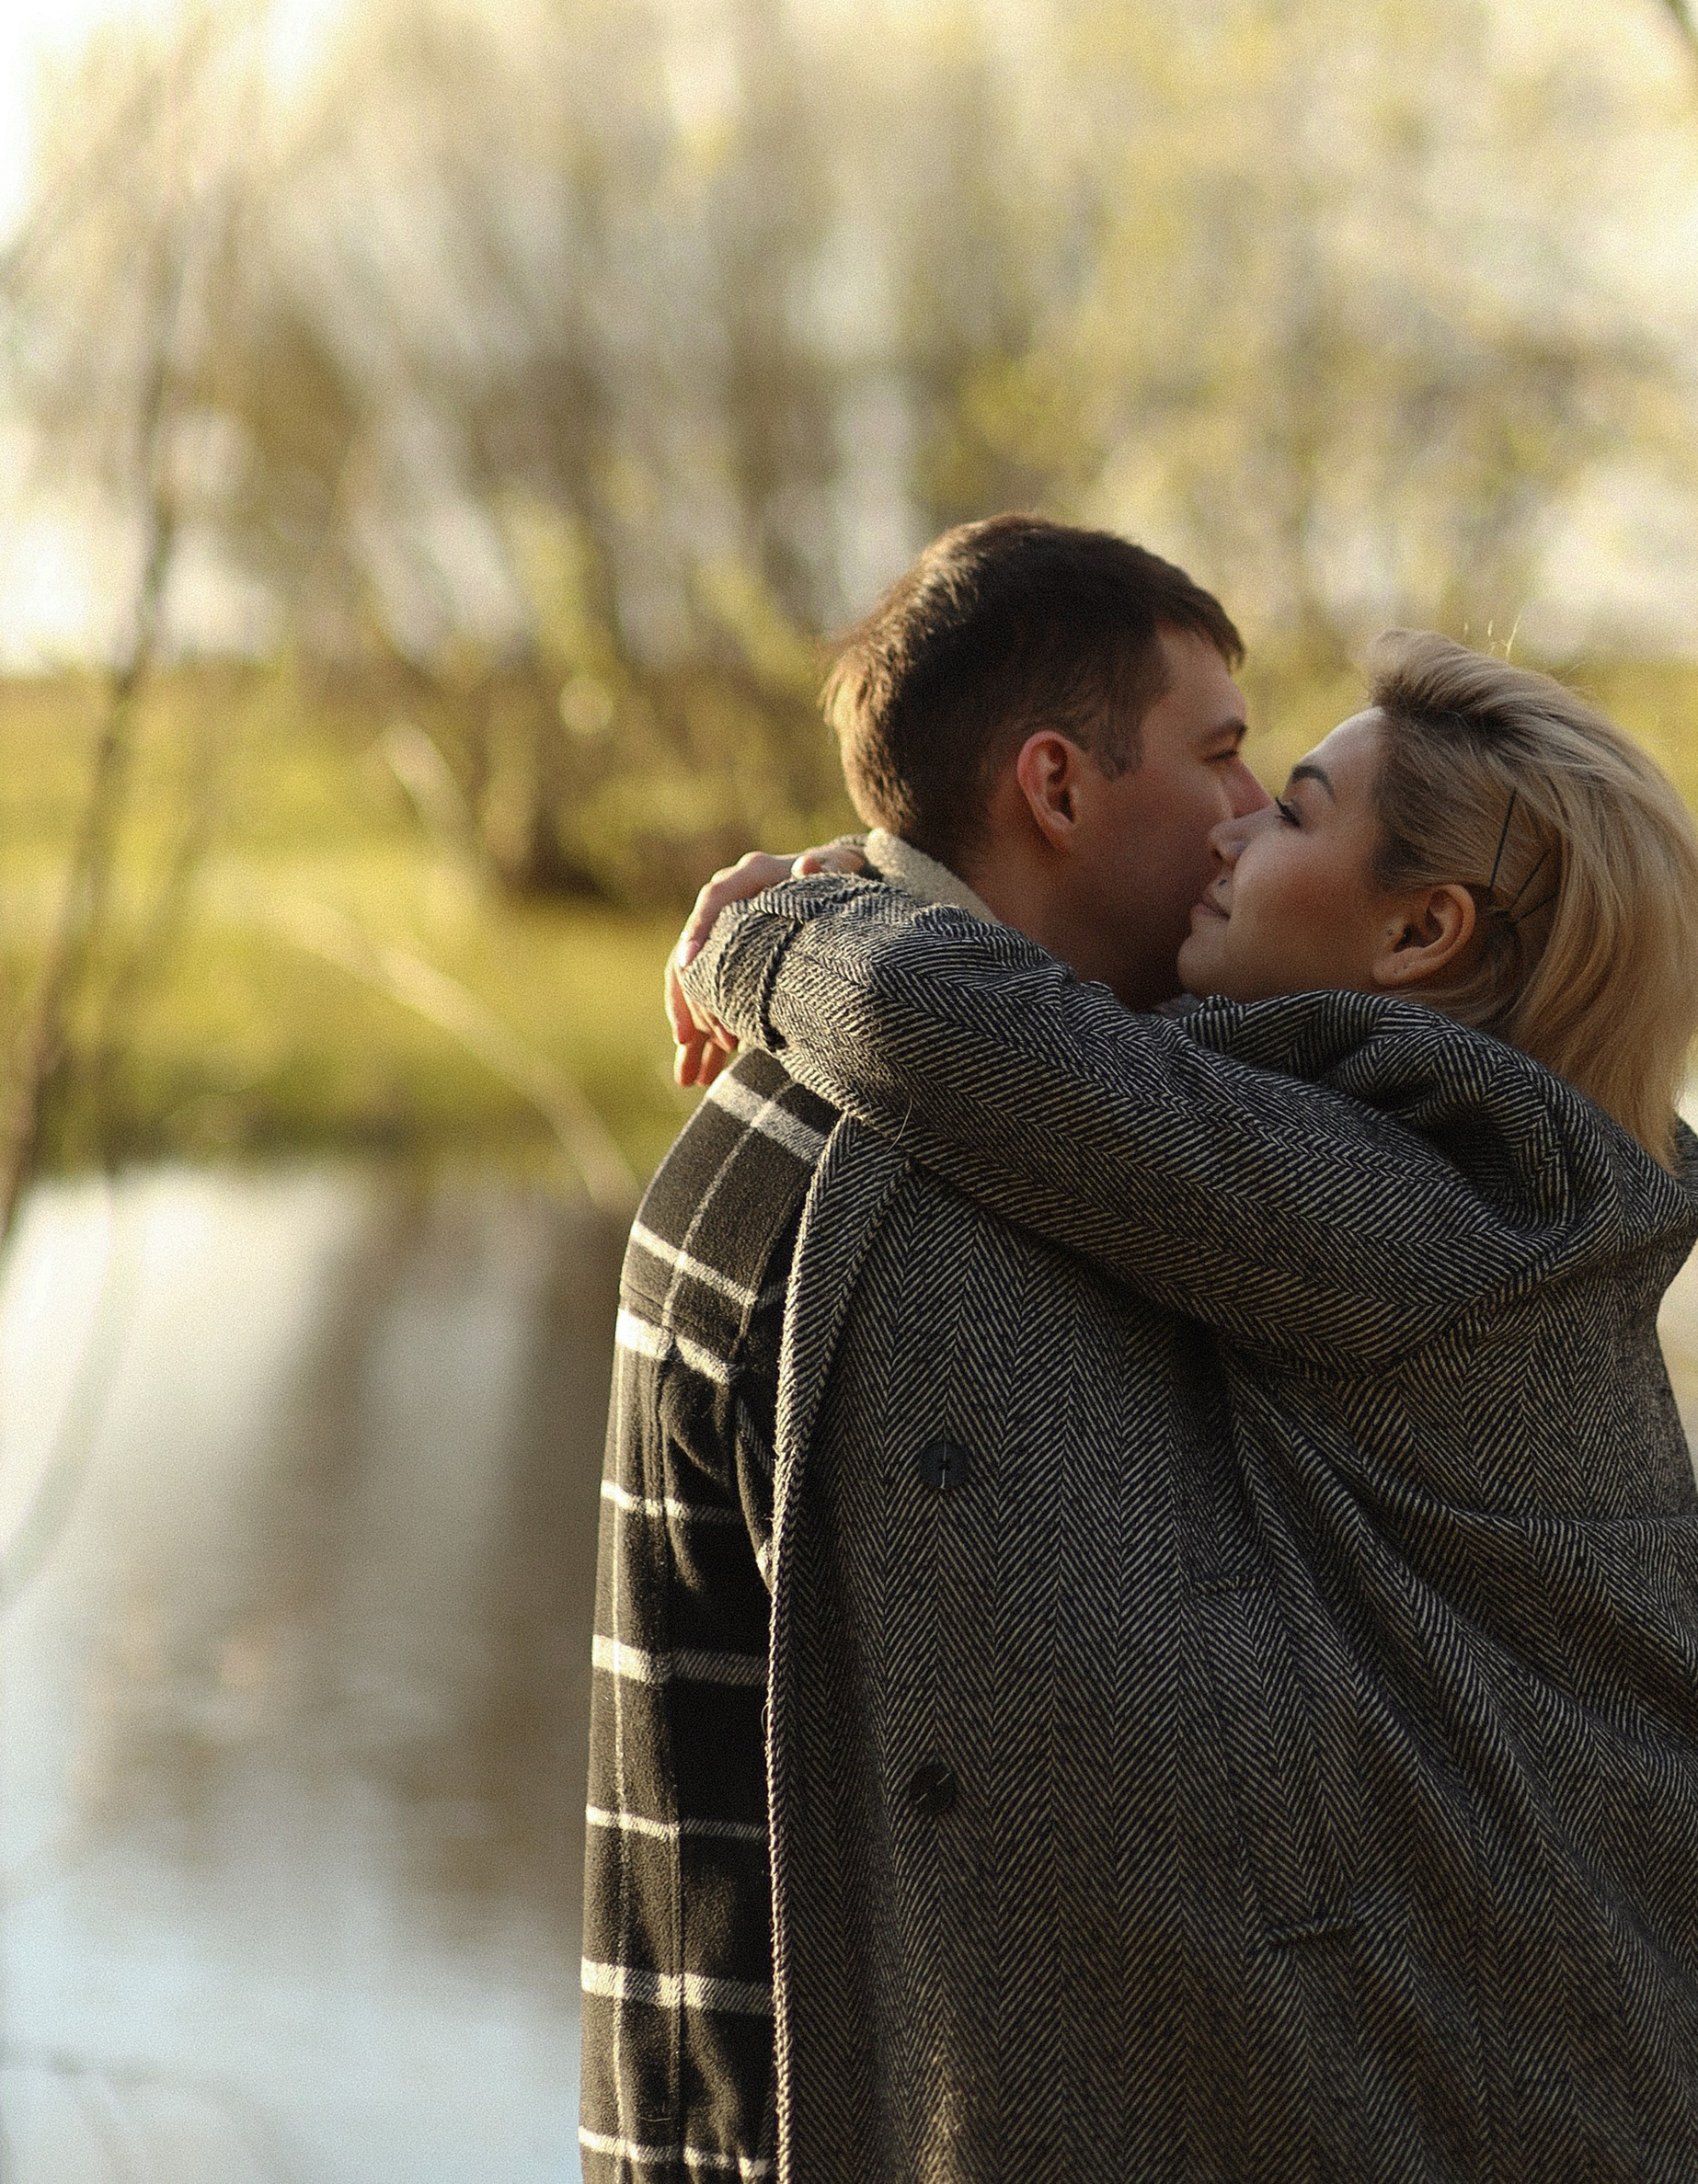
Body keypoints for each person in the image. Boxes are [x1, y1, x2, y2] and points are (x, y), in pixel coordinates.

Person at [665, 624, 1698, 2182]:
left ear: (1418, 936)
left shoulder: (1468, 1200)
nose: (1232, 824)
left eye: (1298, 810)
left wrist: (787, 932)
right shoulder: (1392, 1144)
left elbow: (974, 1045)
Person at [580, 514, 1268, 2182]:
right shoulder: (912, 1195)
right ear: (1054, 787)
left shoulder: (874, 1077)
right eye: (1226, 756)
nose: (1254, 810)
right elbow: (1031, 1839)